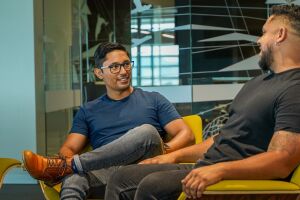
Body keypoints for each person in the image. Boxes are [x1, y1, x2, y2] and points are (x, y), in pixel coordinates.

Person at [104, 4, 300, 200]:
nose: (259, 40)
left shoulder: (294, 88)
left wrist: (220, 170)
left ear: (280, 34)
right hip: (208, 166)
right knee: (121, 177)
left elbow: (282, 160)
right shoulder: (256, 83)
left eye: (264, 32)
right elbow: (222, 139)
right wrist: (174, 156)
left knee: (153, 186)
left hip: (230, 178)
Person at [22, 42, 194, 199]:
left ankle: (67, 165)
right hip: (107, 170)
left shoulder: (153, 99)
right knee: (73, 179)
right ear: (99, 73)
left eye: (126, 64)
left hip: (146, 166)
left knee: (147, 131)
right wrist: (71, 161)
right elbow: (69, 147)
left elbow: (186, 134)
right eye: (114, 67)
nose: (123, 71)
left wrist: (164, 151)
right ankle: (71, 167)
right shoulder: (88, 110)